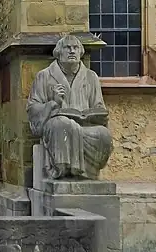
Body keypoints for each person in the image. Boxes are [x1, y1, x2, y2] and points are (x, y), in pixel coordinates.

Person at [27, 34, 113, 180]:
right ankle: (63, 172)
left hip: (86, 125)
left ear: (80, 52)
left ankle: (89, 174)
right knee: (63, 124)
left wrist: (97, 114)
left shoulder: (91, 77)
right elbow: (33, 108)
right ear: (59, 52)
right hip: (57, 124)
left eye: (76, 48)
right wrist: (53, 103)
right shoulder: (44, 76)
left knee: (104, 134)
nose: (72, 51)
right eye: (68, 48)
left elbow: (98, 105)